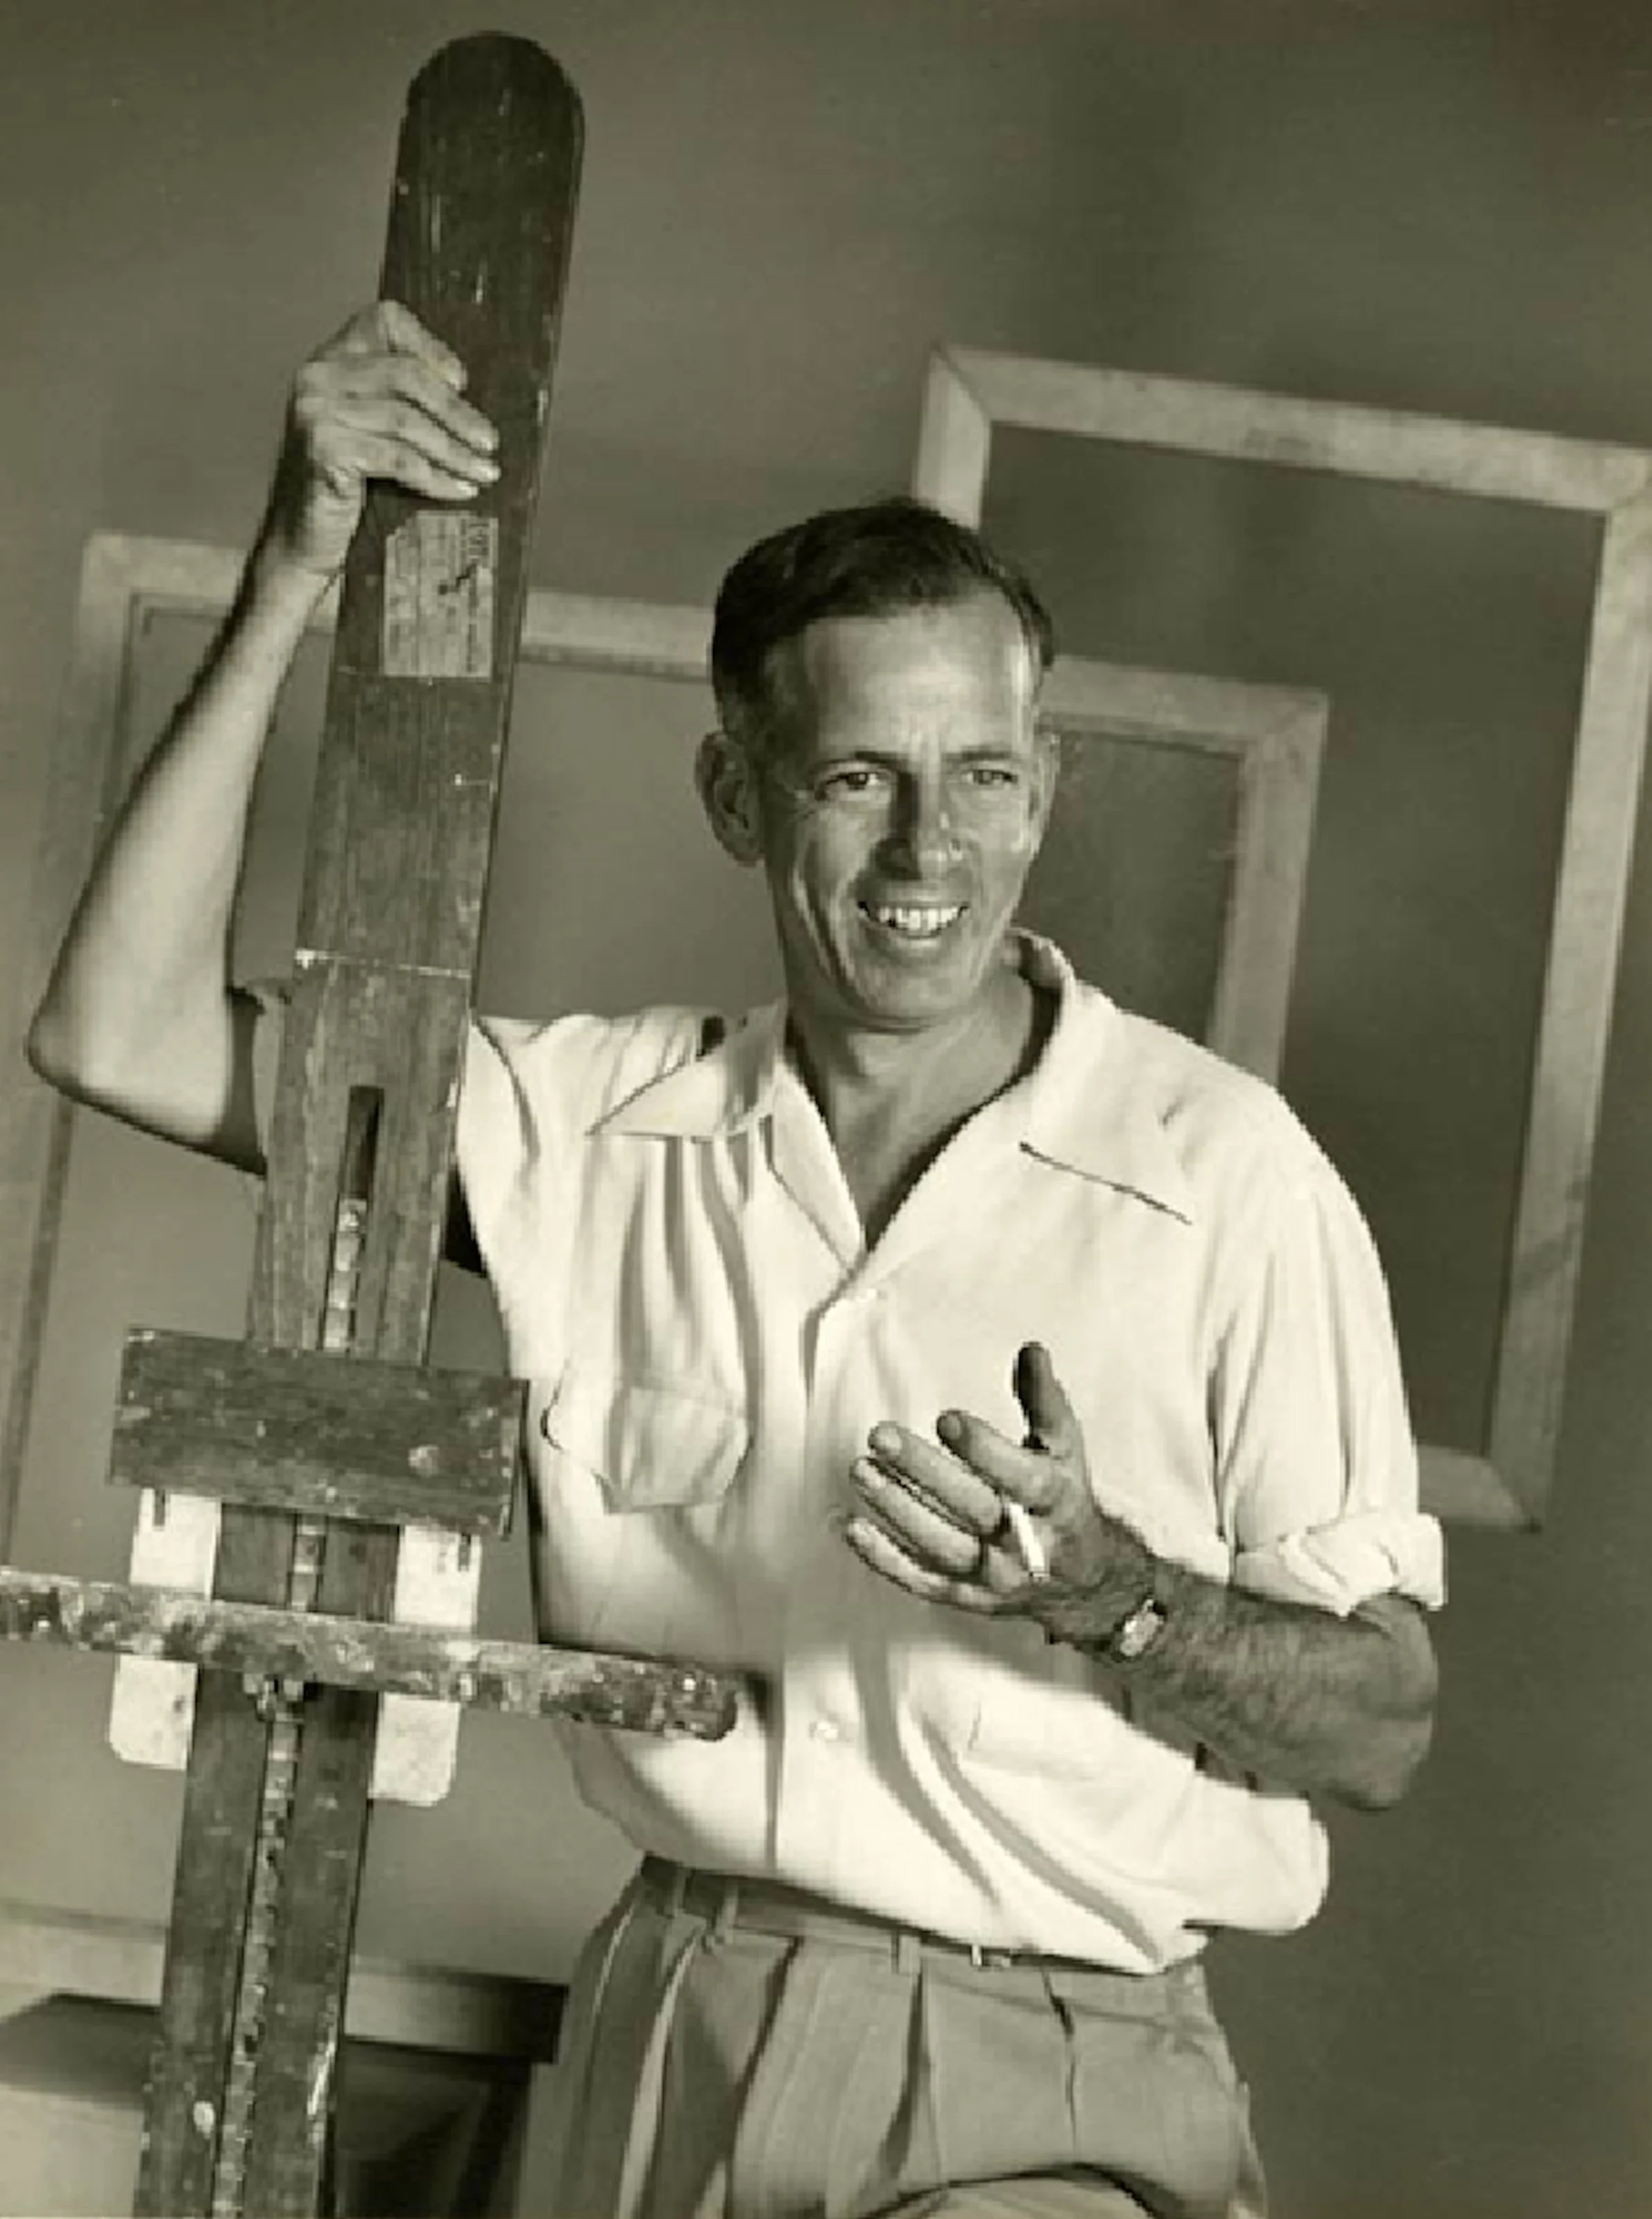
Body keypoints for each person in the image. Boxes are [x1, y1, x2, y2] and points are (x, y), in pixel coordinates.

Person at [28, 302, 1443, 2219]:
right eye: (858, 776)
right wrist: (290, 569)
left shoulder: (1226, 1179)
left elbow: (1379, 1726)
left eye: (982, 776)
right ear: (738, 797)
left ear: (1043, 790)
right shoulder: (589, 1130)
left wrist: (1118, 1595)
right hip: (670, 2018)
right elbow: (114, 1033)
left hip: (1053, 2062)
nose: (926, 847)